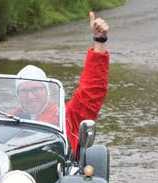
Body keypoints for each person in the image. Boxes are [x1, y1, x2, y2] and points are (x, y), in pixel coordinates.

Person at [14, 11, 110, 154]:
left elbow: (92, 90)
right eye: (24, 91)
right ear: (18, 95)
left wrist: (99, 41)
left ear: (46, 91)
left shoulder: (67, 117)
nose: (30, 96)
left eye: (35, 89)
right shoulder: (9, 120)